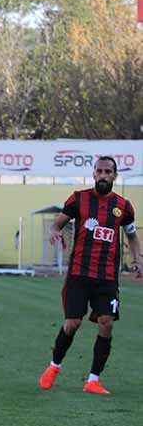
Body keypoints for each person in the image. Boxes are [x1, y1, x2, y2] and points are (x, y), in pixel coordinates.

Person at [39, 156, 141, 395]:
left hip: (106, 278)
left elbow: (132, 236)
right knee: (73, 323)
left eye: (108, 172)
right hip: (79, 275)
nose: (103, 175)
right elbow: (57, 224)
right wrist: (54, 232)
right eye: (100, 171)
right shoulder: (78, 199)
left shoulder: (123, 207)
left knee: (106, 324)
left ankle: (93, 380)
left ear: (115, 176)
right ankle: (54, 366)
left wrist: (137, 260)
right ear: (93, 174)